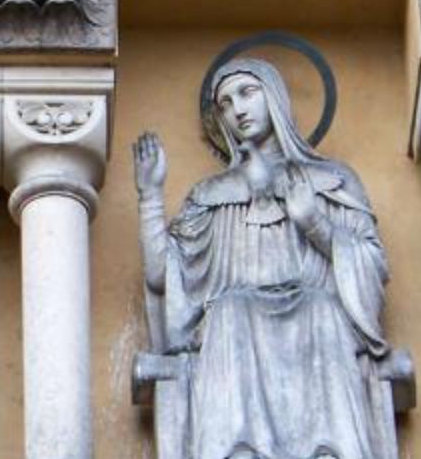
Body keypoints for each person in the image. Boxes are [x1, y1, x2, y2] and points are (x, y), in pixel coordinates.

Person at [133, 58, 395, 459]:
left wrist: (314, 224)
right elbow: (161, 275)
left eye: (246, 93)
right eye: (224, 103)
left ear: (274, 96)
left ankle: (330, 451)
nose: (236, 109)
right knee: (231, 310)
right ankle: (239, 449)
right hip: (235, 322)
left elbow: (372, 265)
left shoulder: (333, 181)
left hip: (315, 316)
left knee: (320, 309)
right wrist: (150, 197)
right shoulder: (210, 195)